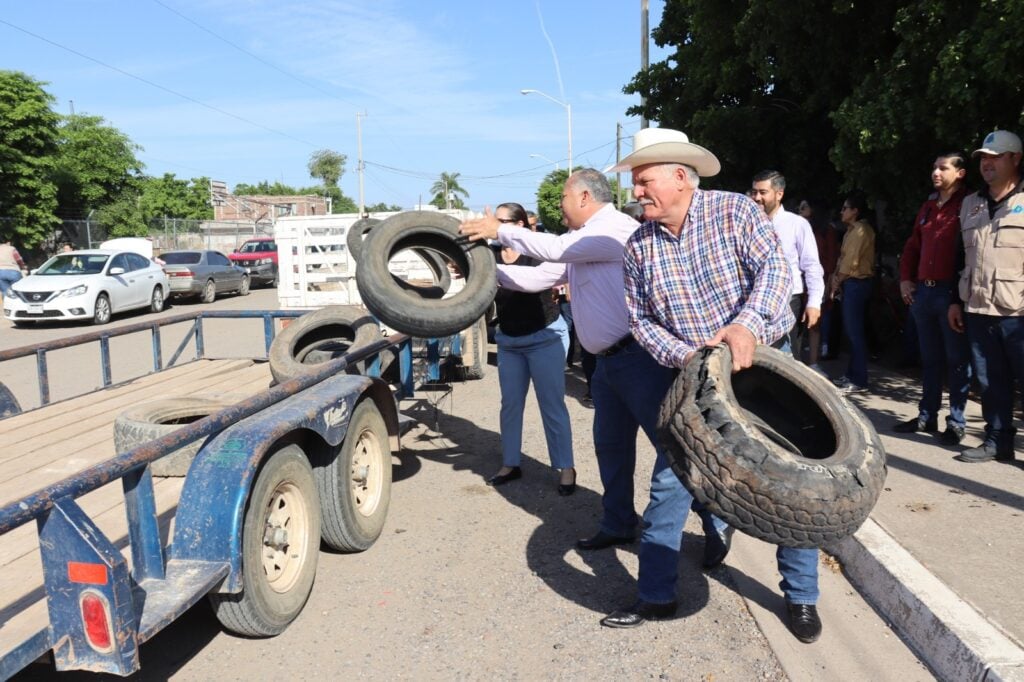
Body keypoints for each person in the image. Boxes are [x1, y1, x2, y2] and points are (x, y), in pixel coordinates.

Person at [459, 168, 731, 590]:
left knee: (674, 455)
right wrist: (484, 272)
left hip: (641, 359)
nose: (559, 208)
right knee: (611, 448)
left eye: (564, 199)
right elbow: (537, 277)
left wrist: (498, 231)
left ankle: (716, 524)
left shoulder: (611, 231)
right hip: (606, 365)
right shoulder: (581, 246)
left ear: (583, 196)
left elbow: (551, 247)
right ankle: (619, 521)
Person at [611, 127, 823, 643]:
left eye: (644, 181)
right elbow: (640, 322)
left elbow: (774, 272)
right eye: (636, 182)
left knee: (789, 484)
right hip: (692, 380)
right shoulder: (639, 246)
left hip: (764, 367)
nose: (637, 191)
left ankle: (801, 597)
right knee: (671, 479)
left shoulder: (735, 212)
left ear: (681, 177)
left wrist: (745, 326)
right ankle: (656, 595)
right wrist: (690, 355)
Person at [485, 202, 576, 493]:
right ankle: (510, 463)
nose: (494, 227)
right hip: (509, 341)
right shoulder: (488, 255)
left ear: (520, 226)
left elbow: (541, 282)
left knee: (552, 406)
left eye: (500, 221)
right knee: (510, 405)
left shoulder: (538, 254)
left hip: (544, 338)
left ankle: (566, 467)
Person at [949, 130, 1024, 463]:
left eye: (996, 156)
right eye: (983, 157)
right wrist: (955, 299)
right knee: (990, 381)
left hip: (1018, 311)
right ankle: (997, 442)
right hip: (978, 307)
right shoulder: (971, 203)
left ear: (1016, 159)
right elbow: (959, 256)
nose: (987, 163)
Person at [895, 153, 972, 444]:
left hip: (950, 293)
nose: (936, 172)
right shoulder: (928, 207)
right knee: (929, 360)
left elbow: (967, 253)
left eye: (943, 168)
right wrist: (905, 279)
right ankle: (927, 416)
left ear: (961, 173)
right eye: (934, 168)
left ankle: (957, 422)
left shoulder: (969, 205)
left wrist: (956, 296)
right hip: (923, 293)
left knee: (957, 360)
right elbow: (913, 245)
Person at [751, 171, 824, 364]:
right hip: (753, 301)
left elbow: (812, 265)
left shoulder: (797, 224)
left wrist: (814, 303)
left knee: (788, 361)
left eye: (763, 192)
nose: (757, 197)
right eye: (754, 192)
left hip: (789, 301)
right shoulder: (747, 224)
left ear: (779, 194)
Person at [830, 194, 875, 393]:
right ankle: (851, 375)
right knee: (851, 332)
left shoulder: (861, 230)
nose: (842, 211)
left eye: (845, 208)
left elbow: (851, 262)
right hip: (850, 284)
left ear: (855, 210)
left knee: (855, 332)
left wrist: (837, 281)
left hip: (856, 283)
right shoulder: (851, 230)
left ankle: (859, 379)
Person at [800, 199, 840, 369]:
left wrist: (829, 281)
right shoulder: (800, 227)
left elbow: (831, 257)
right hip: (798, 280)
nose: (799, 210)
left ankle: (814, 362)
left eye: (804, 207)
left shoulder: (826, 230)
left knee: (815, 320)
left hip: (818, 280)